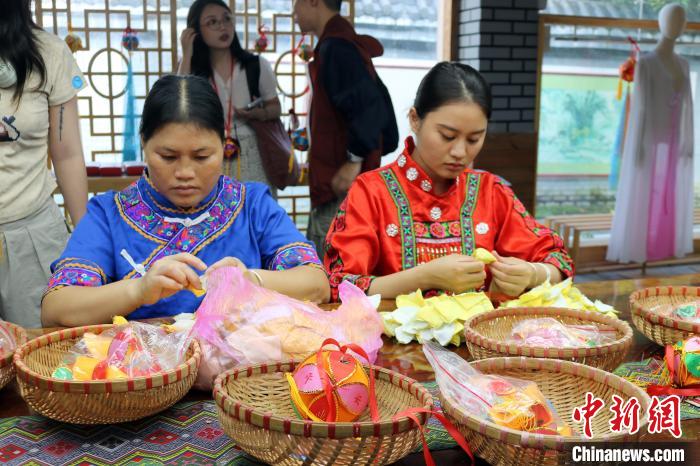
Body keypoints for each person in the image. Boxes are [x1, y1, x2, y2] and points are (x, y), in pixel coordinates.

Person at [42, 75, 329, 328]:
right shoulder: (108, 214)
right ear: (144, 143)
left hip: (243, 381)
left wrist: (251, 281)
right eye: (167, 157)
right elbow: (56, 309)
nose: (185, 173)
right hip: (144, 380)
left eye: (202, 157)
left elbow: (316, 284)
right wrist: (138, 290)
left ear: (224, 143)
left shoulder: (252, 204)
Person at [323, 62, 574, 301]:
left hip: (481, 344)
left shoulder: (491, 192)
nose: (460, 152)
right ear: (414, 119)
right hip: (392, 346)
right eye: (447, 136)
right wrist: (423, 277)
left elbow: (558, 262)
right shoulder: (371, 191)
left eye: (474, 139)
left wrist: (533, 274)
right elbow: (338, 286)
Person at [0, 0, 88, 328]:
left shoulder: (50, 53)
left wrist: (86, 237)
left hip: (33, 236)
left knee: (43, 359)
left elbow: (67, 154)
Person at [292, 0, 398, 255]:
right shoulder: (340, 43)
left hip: (340, 181)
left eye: (295, 4)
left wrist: (353, 162)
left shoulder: (337, 48)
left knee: (332, 261)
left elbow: (368, 108)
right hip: (339, 177)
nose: (293, 13)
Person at [607, 3, 693, 264]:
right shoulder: (646, 63)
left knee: (669, 192)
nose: (676, 25)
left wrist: (688, 139)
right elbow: (641, 107)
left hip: (674, 138)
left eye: (681, 20)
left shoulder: (684, 64)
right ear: (660, 22)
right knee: (645, 191)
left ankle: (664, 243)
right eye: (671, 19)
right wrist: (638, 145)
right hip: (648, 137)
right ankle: (638, 247)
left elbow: (688, 104)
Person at [177, 0, 281, 196]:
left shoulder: (256, 65)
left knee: (255, 216)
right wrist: (187, 54)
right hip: (208, 156)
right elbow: (178, 105)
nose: (222, 26)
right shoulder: (192, 70)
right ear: (196, 31)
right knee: (215, 219)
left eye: (227, 19)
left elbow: (275, 107)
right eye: (212, 22)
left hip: (254, 154)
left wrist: (258, 114)